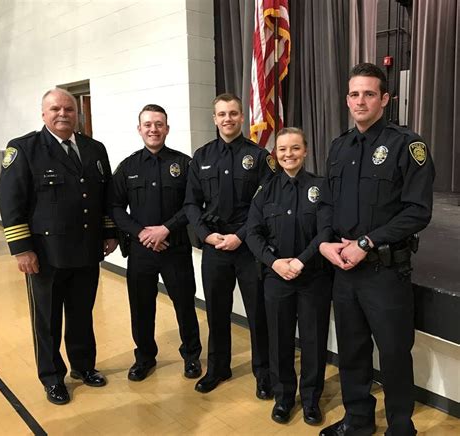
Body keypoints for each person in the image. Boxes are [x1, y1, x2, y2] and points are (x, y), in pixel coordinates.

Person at [318, 63, 435, 436]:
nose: (360, 101)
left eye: (369, 93)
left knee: (395, 354)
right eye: (354, 94)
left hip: (385, 272)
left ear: (385, 98)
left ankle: (401, 428)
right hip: (344, 271)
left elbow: (417, 211)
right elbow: (326, 205)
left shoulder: (407, 145)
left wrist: (367, 243)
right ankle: (358, 421)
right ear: (347, 99)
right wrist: (325, 243)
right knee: (352, 353)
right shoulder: (339, 147)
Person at [0, 88, 118, 405]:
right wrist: (22, 249)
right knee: (48, 320)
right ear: (43, 114)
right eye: (55, 109)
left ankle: (82, 367)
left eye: (68, 108)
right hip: (45, 255)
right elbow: (11, 203)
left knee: (81, 315)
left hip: (86, 251)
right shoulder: (24, 149)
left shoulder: (94, 149)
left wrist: (109, 232)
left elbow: (103, 196)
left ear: (77, 113)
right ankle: (52, 378)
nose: (62, 113)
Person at [184, 93, 275, 397]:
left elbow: (265, 205)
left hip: (249, 247)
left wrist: (242, 235)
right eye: (222, 114)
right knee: (216, 312)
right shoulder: (202, 156)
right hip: (215, 246)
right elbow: (192, 204)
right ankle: (218, 368)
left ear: (241, 117)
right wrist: (206, 235)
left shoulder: (260, 157)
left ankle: (263, 373)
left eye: (233, 113)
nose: (227, 119)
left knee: (257, 313)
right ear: (214, 119)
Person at [246, 128, 332, 425]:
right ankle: (284, 398)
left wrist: (301, 260)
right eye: (282, 149)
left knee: (313, 341)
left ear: (305, 151)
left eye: (295, 148)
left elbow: (326, 231)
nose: (288, 154)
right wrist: (275, 263)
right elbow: (253, 234)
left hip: (313, 279)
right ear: (276, 153)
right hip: (276, 278)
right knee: (279, 341)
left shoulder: (321, 188)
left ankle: (311, 400)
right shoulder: (265, 191)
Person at [110, 104, 202, 382]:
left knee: (185, 304)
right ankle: (145, 357)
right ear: (139, 129)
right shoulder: (128, 167)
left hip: (175, 249)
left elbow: (193, 205)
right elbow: (114, 208)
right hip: (141, 252)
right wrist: (142, 234)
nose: (153, 129)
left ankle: (191, 356)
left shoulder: (185, 164)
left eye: (159, 124)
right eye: (148, 124)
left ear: (167, 128)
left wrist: (165, 229)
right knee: (141, 308)